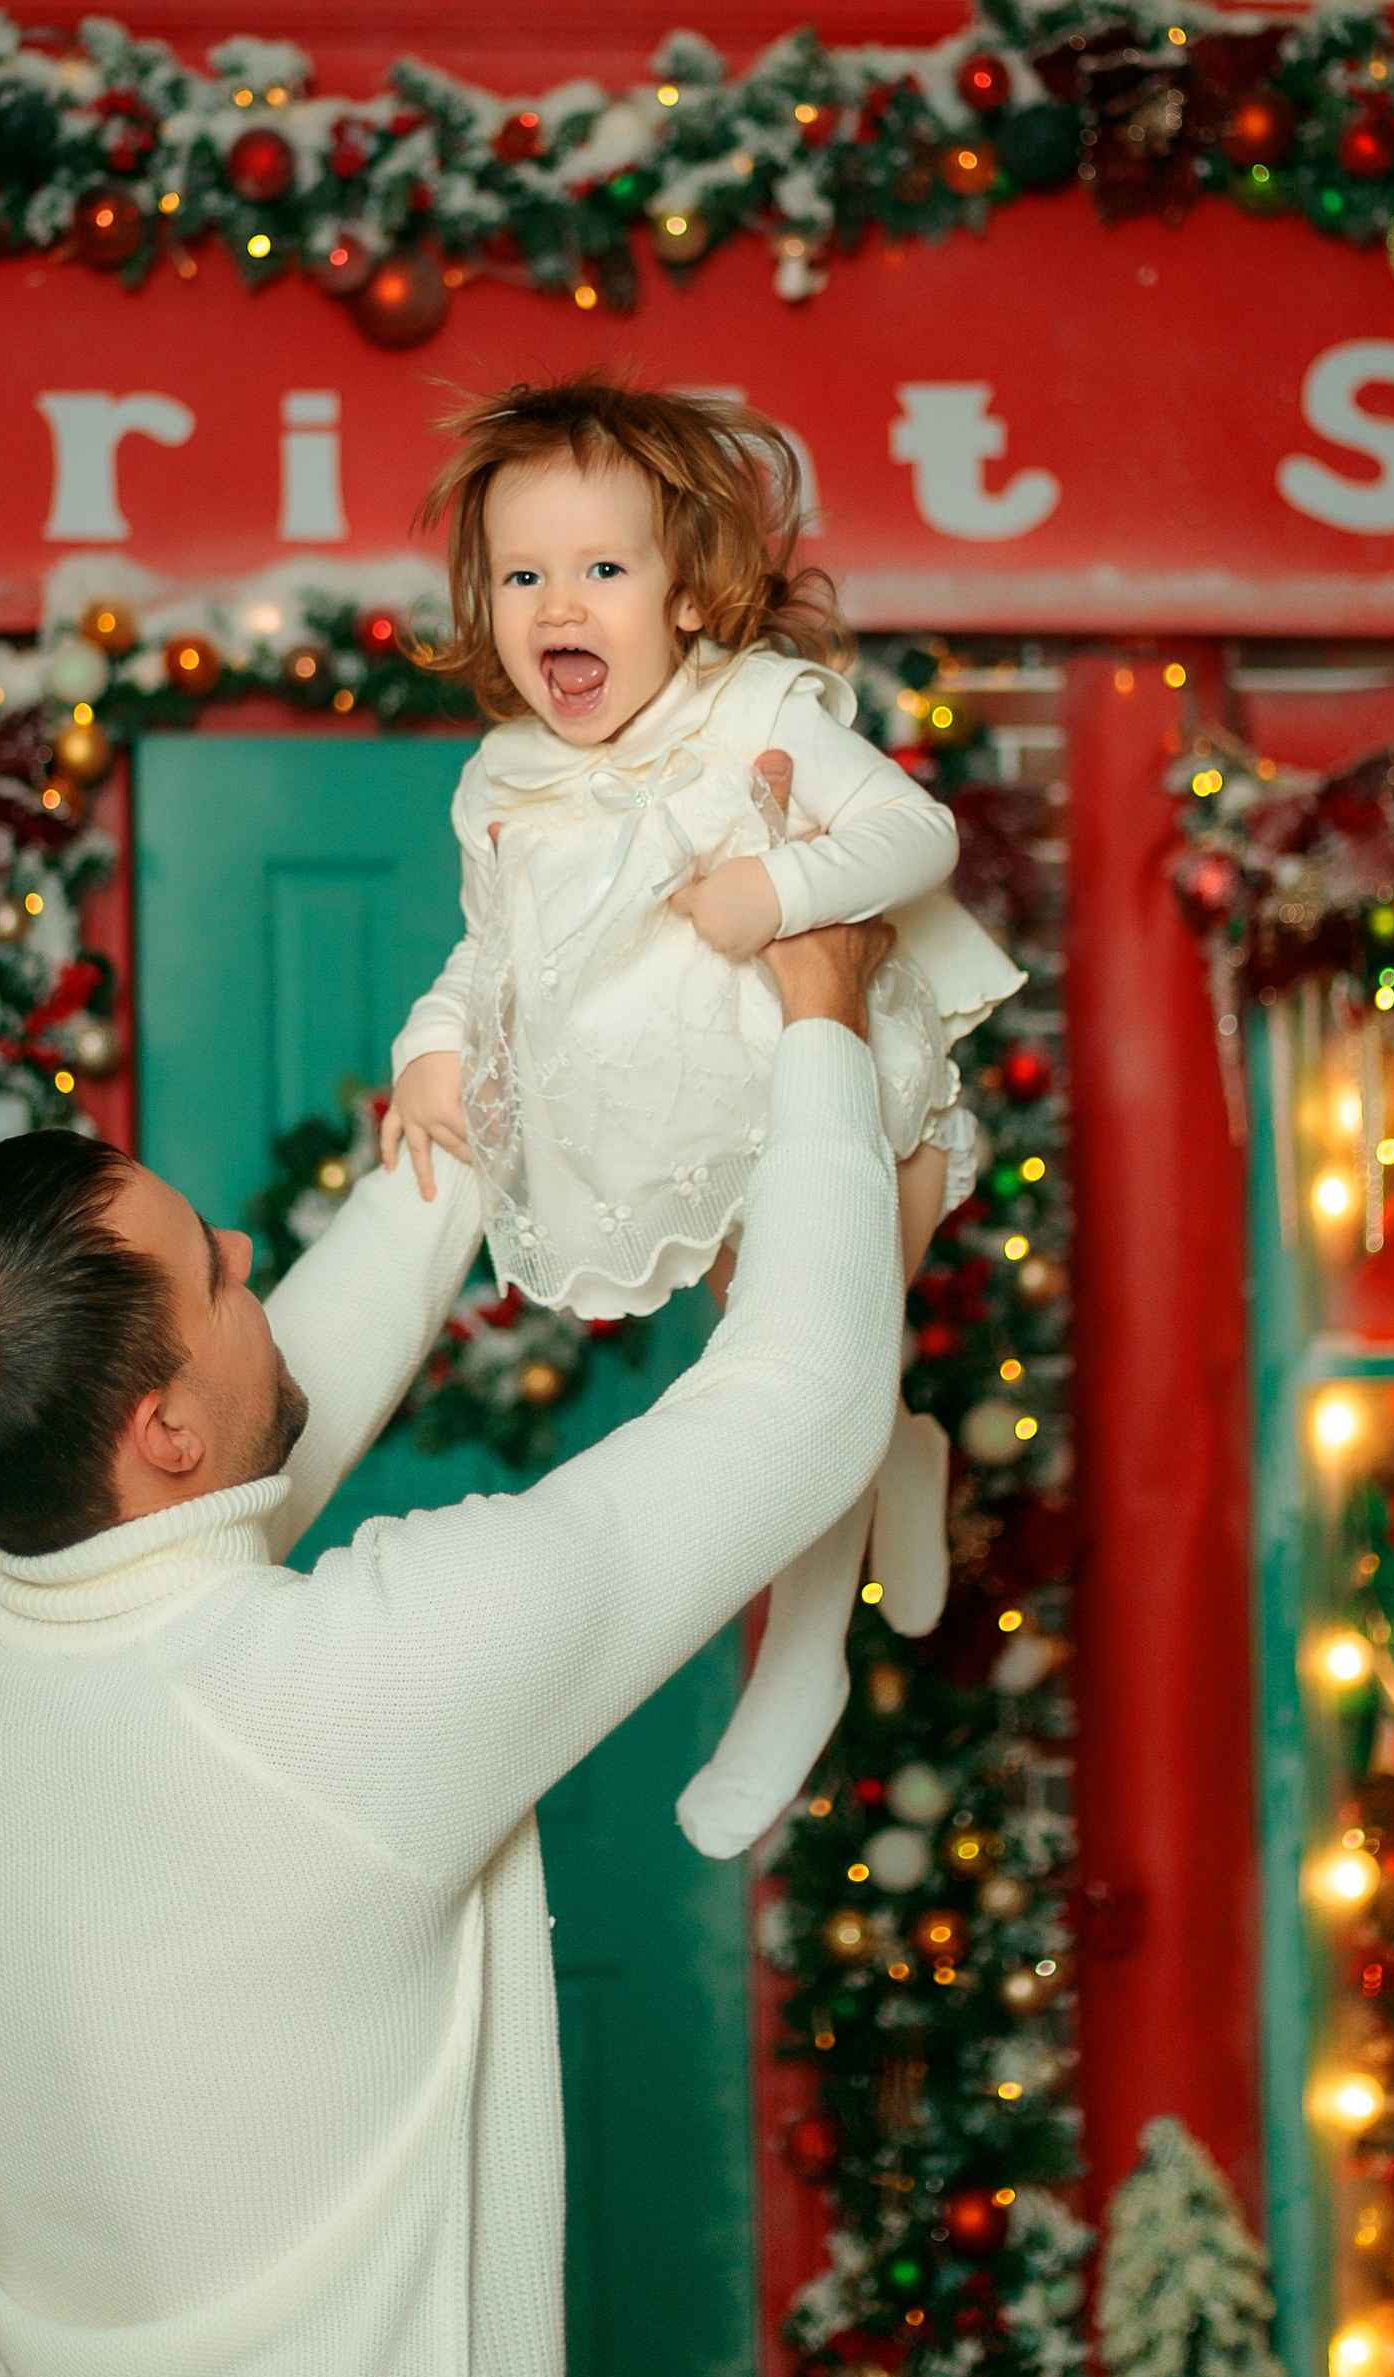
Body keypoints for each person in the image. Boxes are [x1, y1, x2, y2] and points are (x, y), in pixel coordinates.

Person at [0, 916, 903, 2377]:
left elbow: (268, 1418)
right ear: (162, 1428)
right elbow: (806, 1398)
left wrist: (534, 982)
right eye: (219, 1271)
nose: (257, 1247)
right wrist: (821, 1014)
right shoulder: (351, 1690)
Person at [381, 375, 1023, 1860]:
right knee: (807, 1372)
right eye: (525, 573)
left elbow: (914, 833)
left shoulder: (754, 710)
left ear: (684, 595)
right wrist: (432, 1049)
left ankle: (797, 1664)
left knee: (799, 1385)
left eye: (604, 568)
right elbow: (499, 955)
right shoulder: (510, 784)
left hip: (861, 1097)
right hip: (715, 1140)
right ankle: (905, 1453)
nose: (562, 603)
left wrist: (776, 890)